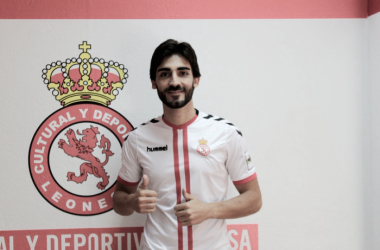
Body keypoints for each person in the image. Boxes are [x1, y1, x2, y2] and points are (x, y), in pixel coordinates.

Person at [113, 39, 262, 250]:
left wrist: (209, 210)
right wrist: (131, 202)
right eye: (165, 74)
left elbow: (254, 198)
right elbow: (119, 200)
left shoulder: (226, 133)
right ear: (154, 82)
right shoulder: (137, 139)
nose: (174, 82)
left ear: (196, 80)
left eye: (183, 73)